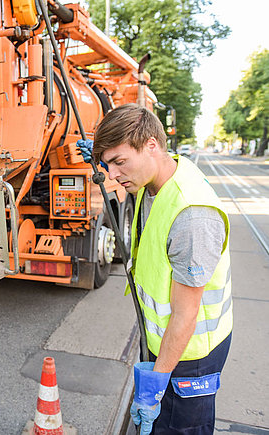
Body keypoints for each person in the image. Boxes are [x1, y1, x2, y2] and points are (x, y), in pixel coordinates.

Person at [78, 103, 233, 435]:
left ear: (151, 144)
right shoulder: (154, 181)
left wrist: (155, 385)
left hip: (189, 358)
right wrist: (104, 155)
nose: (113, 175)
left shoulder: (193, 216)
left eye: (119, 162)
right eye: (107, 164)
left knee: (178, 429)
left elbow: (185, 315)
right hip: (162, 342)